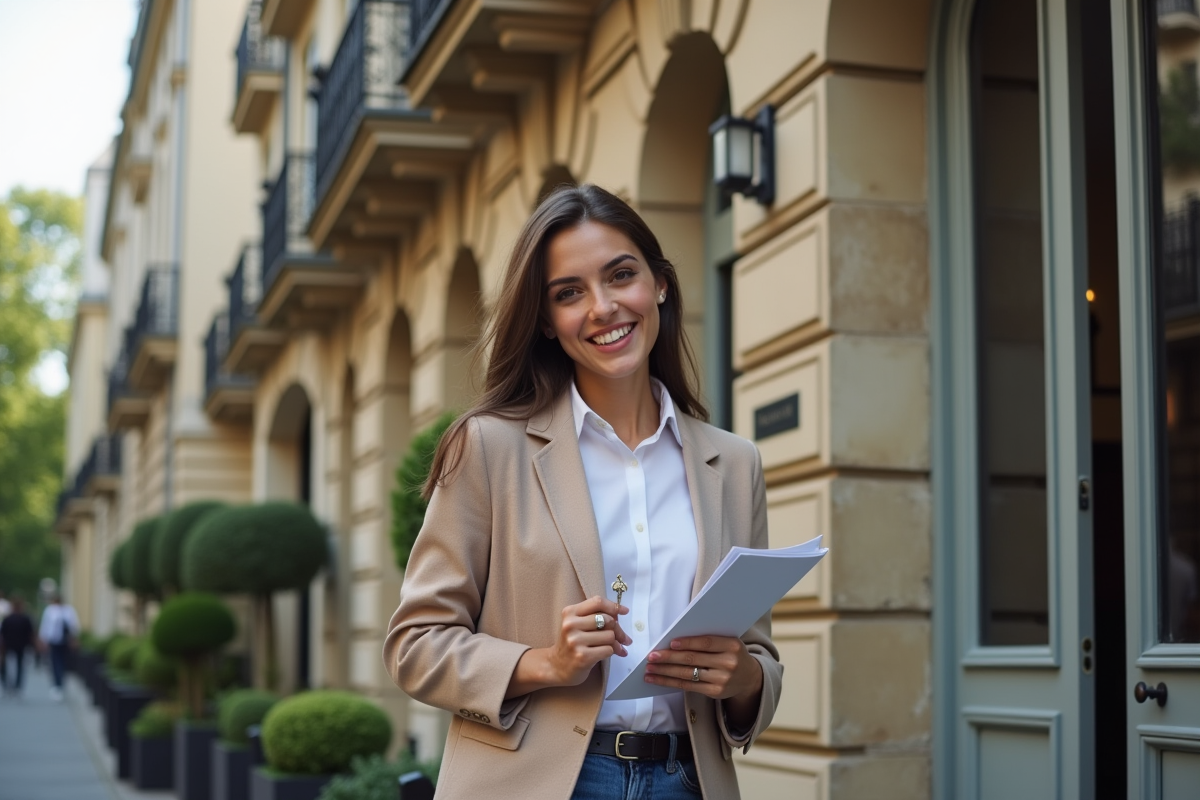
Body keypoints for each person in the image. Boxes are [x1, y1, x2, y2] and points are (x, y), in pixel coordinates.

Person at [384, 184, 781, 799]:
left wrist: (744, 678)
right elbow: (415, 645)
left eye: (621, 276)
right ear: (546, 320)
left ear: (660, 285)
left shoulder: (733, 463)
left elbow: (758, 655)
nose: (603, 307)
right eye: (569, 293)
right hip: (537, 782)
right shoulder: (490, 448)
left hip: (688, 779)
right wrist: (545, 662)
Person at [37, 592, 79, 700]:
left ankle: (60, 682)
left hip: (64, 641)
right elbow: (45, 625)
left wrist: (74, 639)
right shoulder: (50, 610)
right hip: (54, 641)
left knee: (63, 662)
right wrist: (43, 639)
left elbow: (74, 625)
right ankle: (57, 684)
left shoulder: (68, 610)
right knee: (55, 662)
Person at [1, 598, 35, 696]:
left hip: (9, 645)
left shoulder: (7, 619)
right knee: (19, 666)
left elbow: (2, 634)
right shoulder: (25, 619)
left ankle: (7, 685)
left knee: (7, 666)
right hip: (21, 645)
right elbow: (30, 634)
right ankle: (17, 686)